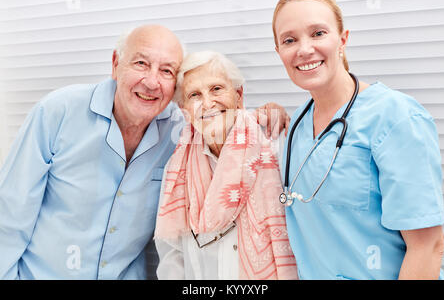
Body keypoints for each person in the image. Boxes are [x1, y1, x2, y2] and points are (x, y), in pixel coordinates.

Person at [0, 25, 289, 279]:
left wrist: (263, 114)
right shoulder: (58, 112)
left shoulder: (180, 133)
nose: (152, 82)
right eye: (141, 63)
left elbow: (224, 128)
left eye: (166, 71)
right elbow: (10, 213)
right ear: (115, 64)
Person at [272, 0, 444, 280]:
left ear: (342, 40)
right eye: (289, 40)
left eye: (318, 33)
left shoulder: (396, 118)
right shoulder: (297, 126)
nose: (304, 49)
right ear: (279, 53)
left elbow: (427, 247)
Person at [154, 51, 298, 280]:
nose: (208, 103)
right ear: (185, 111)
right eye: (194, 95)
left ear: (239, 96)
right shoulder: (178, 165)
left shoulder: (276, 146)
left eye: (217, 89)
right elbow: (172, 253)